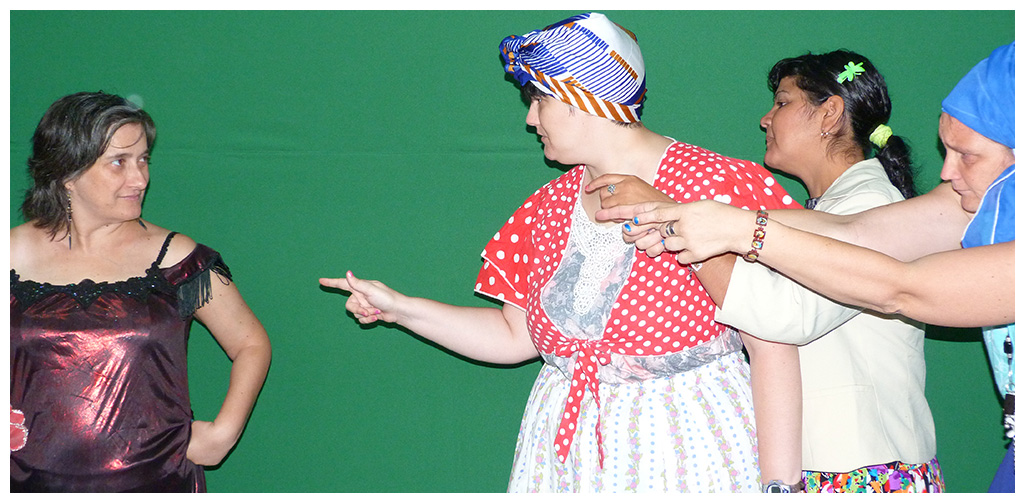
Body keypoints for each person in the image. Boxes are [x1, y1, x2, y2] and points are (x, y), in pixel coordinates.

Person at [321, 13, 803, 492]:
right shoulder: (547, 208)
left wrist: (780, 487)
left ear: (583, 94)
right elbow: (516, 336)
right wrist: (401, 309)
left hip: (688, 448)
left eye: (539, 99)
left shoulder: (715, 184)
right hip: (567, 457)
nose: (530, 118)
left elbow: (772, 344)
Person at [598, 42, 1014, 492]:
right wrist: (695, 218)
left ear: (830, 114)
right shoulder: (848, 208)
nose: (947, 172)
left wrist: (695, 228)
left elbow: (792, 313)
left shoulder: (872, 195)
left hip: (864, 473)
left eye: (781, 102)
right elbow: (850, 231)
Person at [10, 91, 272, 492]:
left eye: (143, 160)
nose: (140, 179)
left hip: (157, 481)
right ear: (67, 171)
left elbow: (250, 343)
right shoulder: (8, 255)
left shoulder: (177, 260)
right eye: (119, 162)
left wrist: (224, 433)